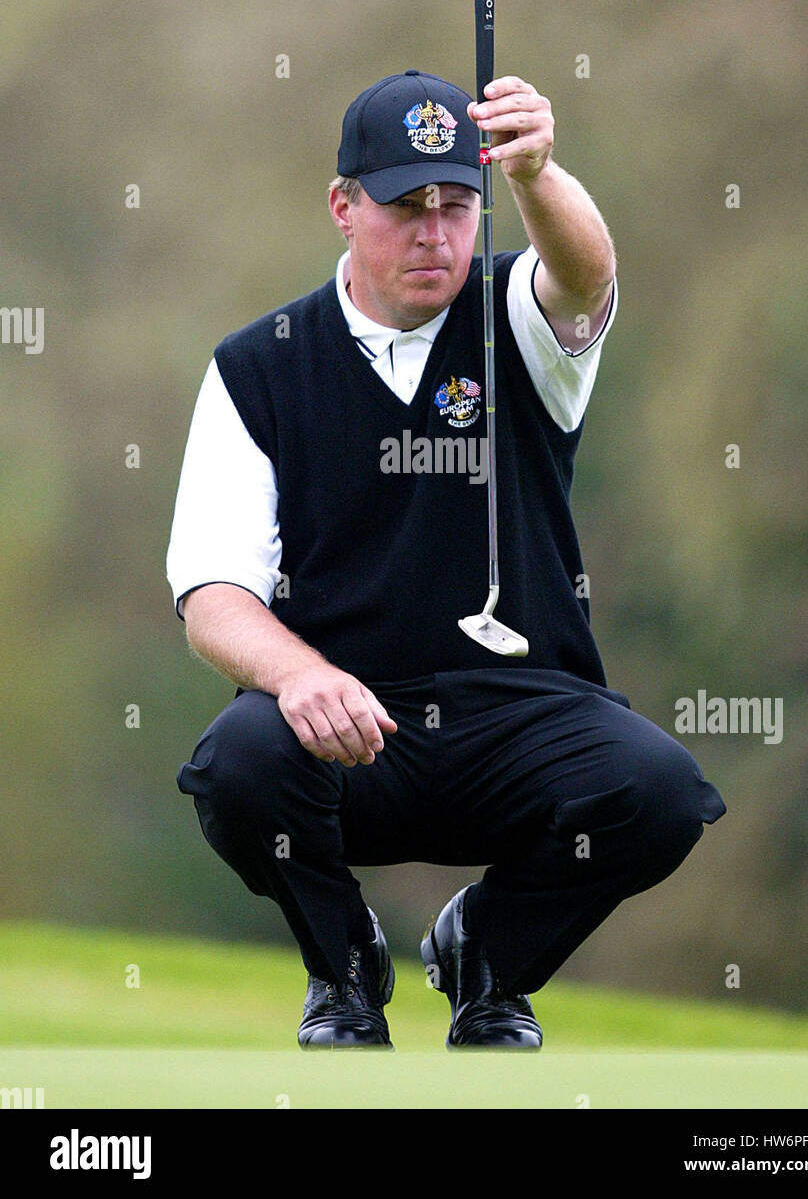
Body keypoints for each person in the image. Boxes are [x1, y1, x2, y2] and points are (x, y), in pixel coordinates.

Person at [166, 68, 726, 1050]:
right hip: (348, 726)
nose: (434, 232)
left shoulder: (516, 312)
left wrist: (536, 173)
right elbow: (212, 591)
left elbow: (586, 272)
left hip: (519, 716)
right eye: (405, 207)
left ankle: (489, 961)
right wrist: (299, 676)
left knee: (660, 792)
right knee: (237, 763)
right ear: (342, 207)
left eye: (456, 204)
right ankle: (343, 978)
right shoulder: (257, 367)